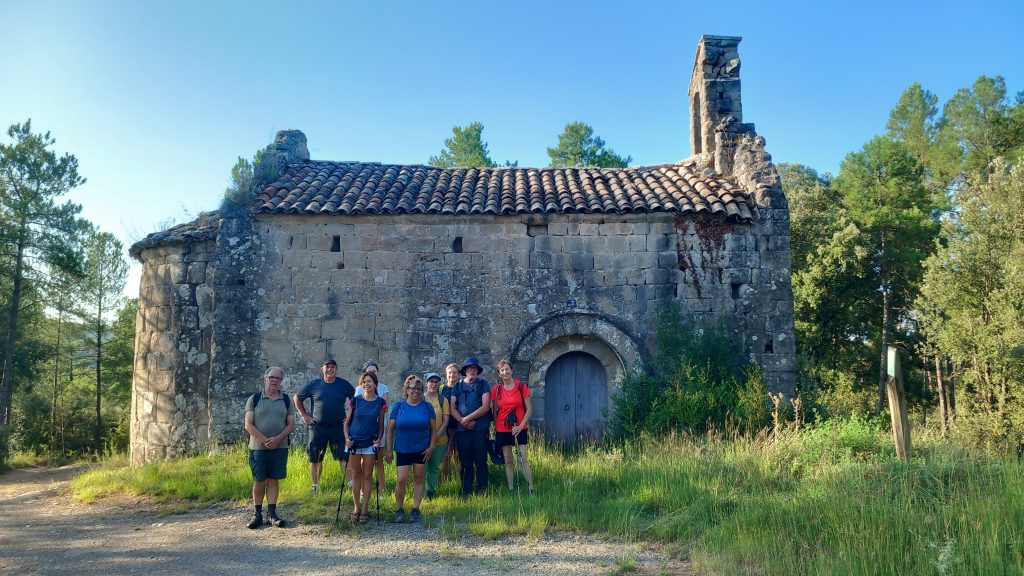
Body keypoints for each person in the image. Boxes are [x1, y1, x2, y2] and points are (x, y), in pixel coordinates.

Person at [243, 366, 296, 529]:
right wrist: (266, 440)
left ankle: (272, 514)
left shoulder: (286, 400)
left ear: (281, 382)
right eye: (271, 377)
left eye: (278, 379)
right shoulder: (254, 399)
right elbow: (248, 425)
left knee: (274, 480)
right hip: (258, 448)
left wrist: (278, 439)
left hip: (280, 448)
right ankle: (257, 514)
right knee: (259, 481)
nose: (274, 381)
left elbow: (291, 424)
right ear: (265, 379)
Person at [294, 358, 355, 495]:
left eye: (333, 367)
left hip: (338, 427)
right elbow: (297, 398)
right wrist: (304, 415)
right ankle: (315, 486)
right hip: (317, 427)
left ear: (336, 369)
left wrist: (349, 416)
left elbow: (356, 400)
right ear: (322, 369)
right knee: (315, 457)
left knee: (344, 457)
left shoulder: (343, 385)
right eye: (327, 367)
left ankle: (351, 485)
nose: (330, 369)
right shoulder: (314, 385)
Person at [384, 375, 436, 523]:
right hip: (402, 449)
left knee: (419, 478)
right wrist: (388, 451)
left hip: (421, 449)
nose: (416, 391)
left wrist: (432, 446)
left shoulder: (427, 407)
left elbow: (433, 429)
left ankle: (415, 509)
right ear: (406, 389)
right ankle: (399, 509)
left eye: (419, 389)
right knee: (401, 480)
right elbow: (390, 429)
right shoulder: (399, 407)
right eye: (412, 388)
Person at [344, 370, 387, 523]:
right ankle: (356, 507)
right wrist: (347, 437)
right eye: (364, 382)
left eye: (369, 381)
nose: (366, 384)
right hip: (354, 442)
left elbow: (381, 425)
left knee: (367, 476)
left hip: (370, 443)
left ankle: (365, 509)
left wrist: (379, 440)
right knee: (356, 475)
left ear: (375, 384)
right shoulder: (355, 401)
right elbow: (347, 423)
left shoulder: (380, 402)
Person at [491, 358, 535, 495]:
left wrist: (521, 426)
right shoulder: (496, 390)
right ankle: (511, 489)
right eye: (502, 370)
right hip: (502, 428)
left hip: (519, 427)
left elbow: (529, 409)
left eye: (507, 369)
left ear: (512, 371)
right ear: (499, 373)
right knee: (508, 459)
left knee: (523, 459)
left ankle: (531, 488)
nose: (505, 372)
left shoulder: (521, 386)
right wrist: (495, 426)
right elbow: (494, 410)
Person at [449, 356, 491, 498]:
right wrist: (463, 421)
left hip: (480, 430)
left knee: (480, 461)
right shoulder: (458, 386)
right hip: (462, 431)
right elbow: (452, 407)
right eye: (470, 368)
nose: (472, 370)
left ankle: (482, 490)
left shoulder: (483, 384)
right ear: (465, 370)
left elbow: (485, 407)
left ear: (477, 371)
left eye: (475, 368)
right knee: (465, 462)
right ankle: (466, 490)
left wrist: (467, 419)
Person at [355, 360, 390, 494]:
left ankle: (381, 490)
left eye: (374, 371)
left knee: (379, 460)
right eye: (369, 371)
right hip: (363, 429)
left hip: (378, 427)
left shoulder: (384, 388)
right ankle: (364, 490)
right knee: (364, 460)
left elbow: (385, 408)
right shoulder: (359, 389)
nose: (371, 373)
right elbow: (357, 408)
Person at [422, 371, 450, 498]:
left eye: (436, 382)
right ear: (426, 383)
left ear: (439, 384)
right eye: (431, 381)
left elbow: (446, 421)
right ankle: (420, 490)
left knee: (434, 467)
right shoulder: (421, 398)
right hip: (423, 440)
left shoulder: (442, 399)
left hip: (440, 439)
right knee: (422, 467)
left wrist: (435, 436)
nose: (433, 384)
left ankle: (430, 491)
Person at [439, 362, 461, 481]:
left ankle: (459, 480)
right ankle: (445, 480)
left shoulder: (461, 388)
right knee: (445, 455)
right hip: (445, 426)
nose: (452, 374)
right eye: (449, 372)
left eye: (454, 372)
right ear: (446, 374)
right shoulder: (441, 389)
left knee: (458, 454)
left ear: (458, 375)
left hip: (458, 425)